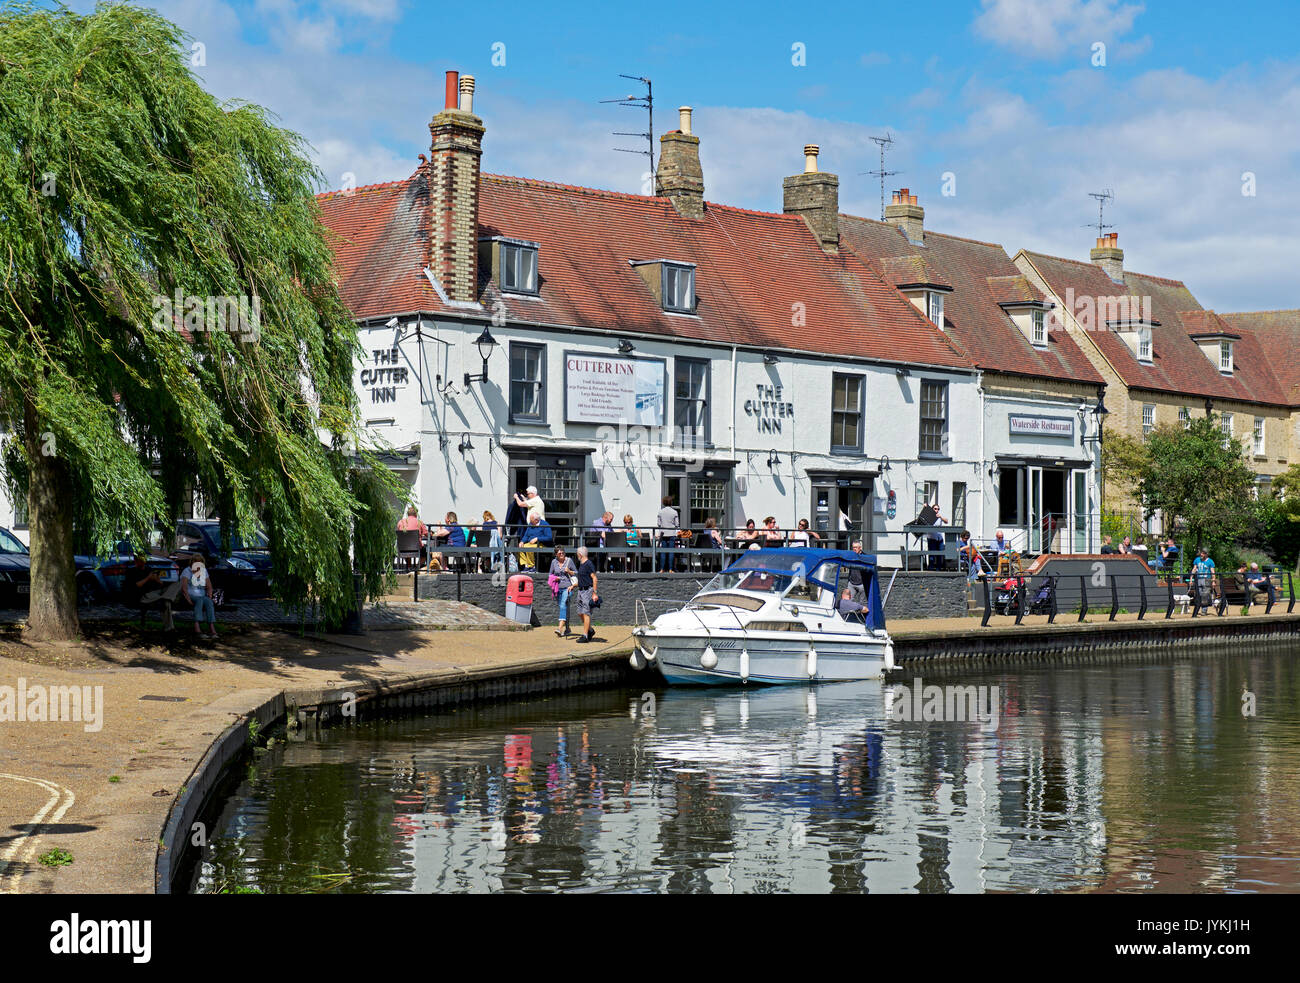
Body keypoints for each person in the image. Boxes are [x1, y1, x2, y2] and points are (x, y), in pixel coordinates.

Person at [182, 553, 217, 638]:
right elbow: (184, 588)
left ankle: (212, 629)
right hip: (191, 594)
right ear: (192, 562)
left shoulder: (204, 571)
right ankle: (197, 628)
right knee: (199, 600)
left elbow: (209, 587)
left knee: (208, 602)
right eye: (195, 561)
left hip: (201, 595)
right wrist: (188, 599)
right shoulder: (187, 571)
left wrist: (209, 595)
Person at [548, 547, 577, 636]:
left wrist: (569, 571)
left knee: (563, 604)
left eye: (563, 553)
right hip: (557, 588)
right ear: (556, 554)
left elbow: (576, 572)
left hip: (567, 587)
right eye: (559, 553)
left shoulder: (569, 561)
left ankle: (560, 628)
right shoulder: (554, 562)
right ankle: (567, 628)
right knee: (564, 607)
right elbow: (550, 574)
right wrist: (555, 578)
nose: (562, 554)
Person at [572, 546, 599, 643]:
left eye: (577, 555)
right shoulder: (582, 565)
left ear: (580, 555)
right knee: (580, 612)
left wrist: (594, 593)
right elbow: (582, 579)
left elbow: (594, 578)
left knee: (586, 613)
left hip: (587, 591)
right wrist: (573, 586)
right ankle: (590, 630)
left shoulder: (588, 564)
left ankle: (585, 636)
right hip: (580, 590)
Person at [656, 495, 680, 572]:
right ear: (671, 502)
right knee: (671, 551)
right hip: (672, 533)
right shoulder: (674, 512)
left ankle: (662, 569)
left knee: (663, 551)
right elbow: (677, 524)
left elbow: (658, 523)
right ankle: (670, 569)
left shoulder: (660, 511)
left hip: (663, 533)